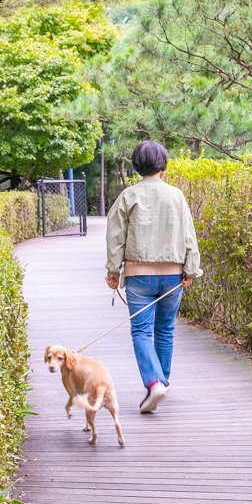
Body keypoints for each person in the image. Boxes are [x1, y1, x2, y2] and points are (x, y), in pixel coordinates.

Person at [105, 141, 203, 413]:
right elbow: (189, 237)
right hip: (173, 277)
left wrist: (113, 271)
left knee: (141, 331)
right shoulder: (177, 196)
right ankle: (162, 382)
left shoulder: (128, 195)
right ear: (163, 164)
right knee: (165, 329)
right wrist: (190, 270)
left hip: (139, 275)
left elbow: (116, 238)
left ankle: (153, 382)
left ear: (137, 166)